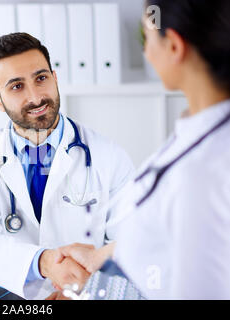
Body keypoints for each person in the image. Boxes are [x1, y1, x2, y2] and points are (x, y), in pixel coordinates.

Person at [55, 0, 230, 299]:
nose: (146, 52)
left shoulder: (202, 171)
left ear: (174, 46)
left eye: (148, 39)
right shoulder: (204, 125)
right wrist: (101, 257)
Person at [0, 33, 135, 299]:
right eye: (17, 86)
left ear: (55, 78)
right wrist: (44, 262)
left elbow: (133, 243)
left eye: (41, 79)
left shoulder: (108, 156)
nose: (36, 97)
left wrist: (84, 288)